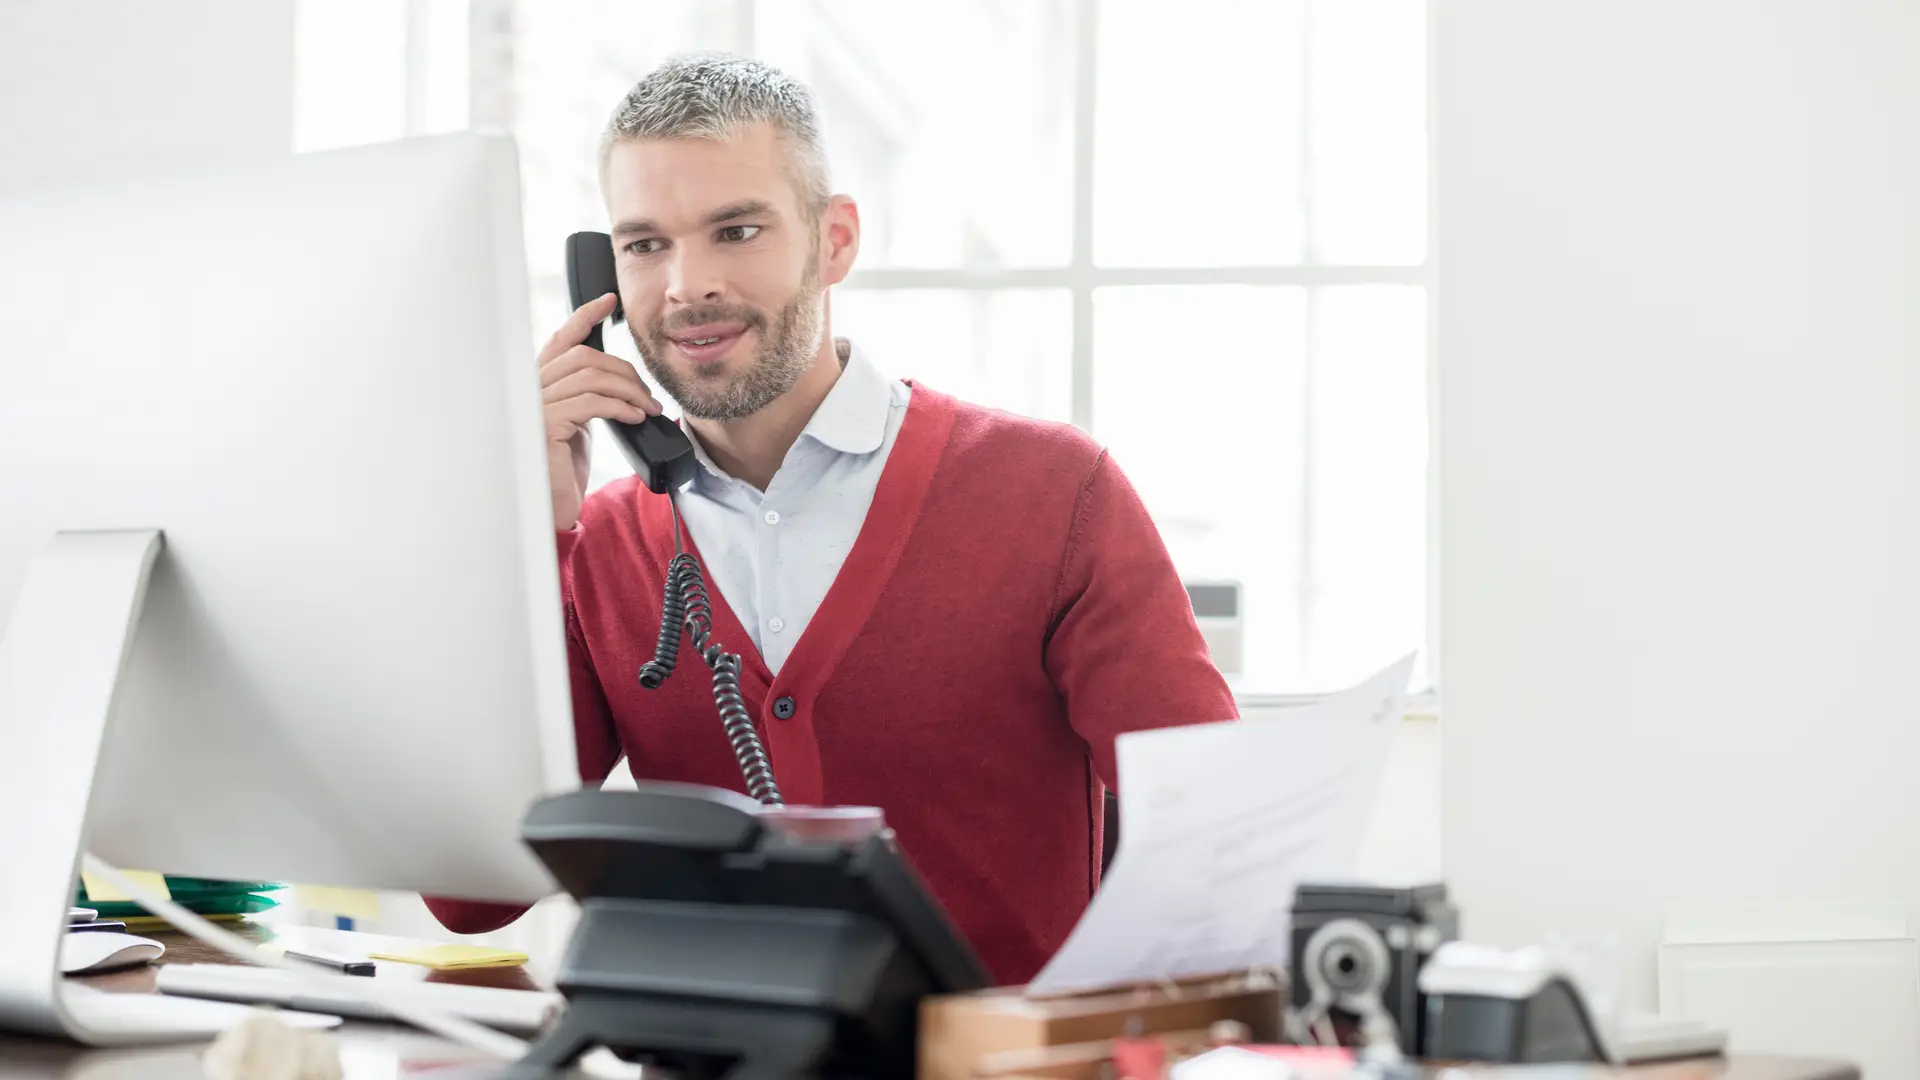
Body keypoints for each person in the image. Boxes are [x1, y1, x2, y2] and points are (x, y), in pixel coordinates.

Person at [425, 52, 1237, 985]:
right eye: (645, 244)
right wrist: (525, 539)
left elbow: (1221, 854)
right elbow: (470, 897)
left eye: (736, 230)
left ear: (835, 240)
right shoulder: (591, 547)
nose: (686, 284)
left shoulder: (1056, 494)